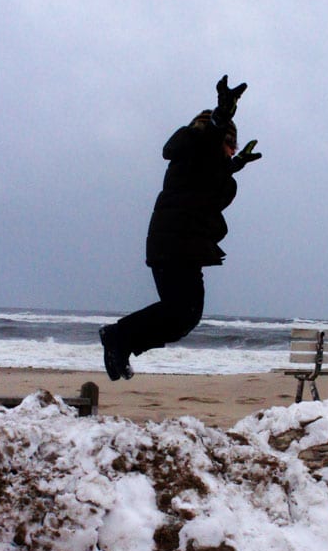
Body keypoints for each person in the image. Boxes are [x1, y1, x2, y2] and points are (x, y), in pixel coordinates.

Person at [99, 75, 261, 380]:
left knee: (184, 315)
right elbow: (205, 146)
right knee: (182, 312)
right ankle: (117, 337)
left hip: (179, 245)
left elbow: (208, 184)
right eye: (230, 145)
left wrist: (232, 165)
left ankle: (122, 342)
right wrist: (221, 116)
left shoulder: (199, 161)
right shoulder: (196, 145)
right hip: (176, 244)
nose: (230, 150)